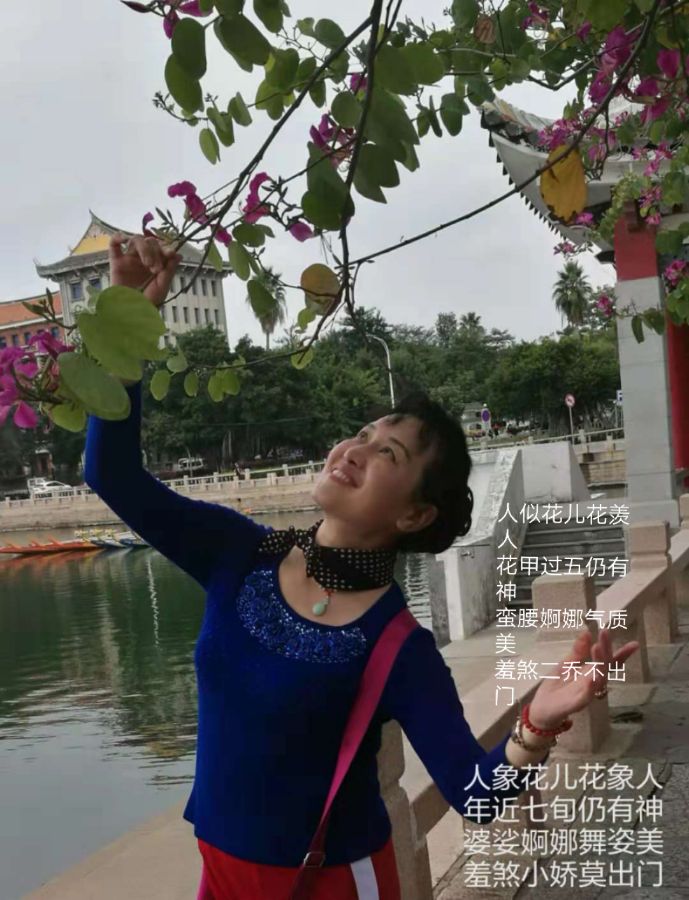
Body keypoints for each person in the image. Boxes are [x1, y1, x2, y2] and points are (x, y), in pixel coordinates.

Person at [84, 233, 640, 900]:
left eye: (388, 455)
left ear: (413, 514)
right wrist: (126, 323)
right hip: (222, 872)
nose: (355, 449)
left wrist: (539, 721)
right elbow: (111, 473)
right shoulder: (239, 553)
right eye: (363, 434)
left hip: (330, 883)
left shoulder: (397, 645)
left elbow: (474, 795)